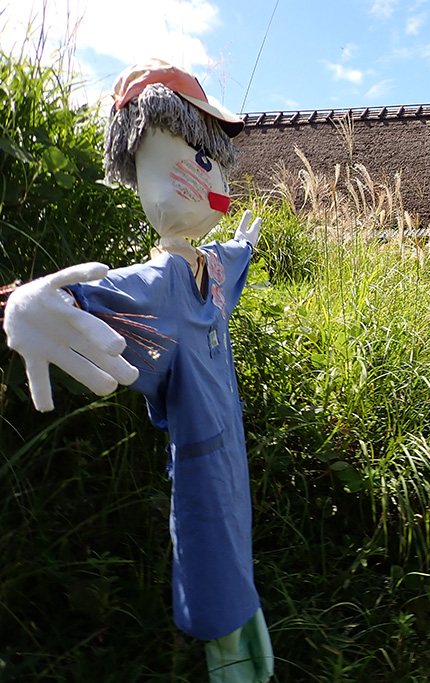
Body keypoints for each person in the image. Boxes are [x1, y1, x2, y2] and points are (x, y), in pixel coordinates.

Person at [3, 59, 273, 680]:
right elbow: (84, 298)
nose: (217, 183)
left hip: (232, 456)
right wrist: (25, 303)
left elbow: (230, 261)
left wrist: (247, 249)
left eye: (219, 163)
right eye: (199, 160)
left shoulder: (209, 270)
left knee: (240, 563)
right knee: (218, 588)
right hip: (203, 462)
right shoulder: (158, 283)